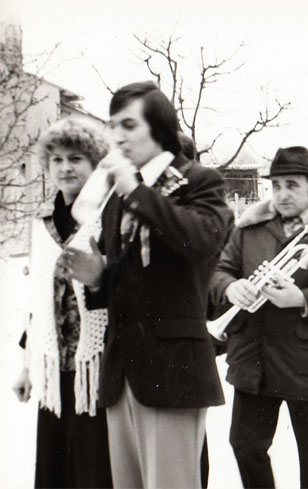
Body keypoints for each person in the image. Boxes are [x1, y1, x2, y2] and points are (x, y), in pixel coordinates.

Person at [64, 81, 233, 489]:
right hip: (121, 372)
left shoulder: (199, 181)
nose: (117, 136)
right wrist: (97, 275)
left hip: (172, 373)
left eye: (128, 125)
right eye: (112, 126)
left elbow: (202, 241)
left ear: (159, 128)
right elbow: (129, 280)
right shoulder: (118, 196)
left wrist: (137, 191)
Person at [209, 146, 308, 489]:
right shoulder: (249, 226)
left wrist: (302, 298)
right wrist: (231, 286)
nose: (282, 194)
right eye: (276, 185)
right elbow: (219, 271)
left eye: (292, 185)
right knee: (245, 445)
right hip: (254, 358)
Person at [11, 117, 112, 488]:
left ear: (95, 163)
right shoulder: (42, 224)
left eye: (76, 159)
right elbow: (37, 302)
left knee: (94, 472)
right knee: (55, 473)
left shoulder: (108, 219)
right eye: (57, 160)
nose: (65, 167)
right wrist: (27, 367)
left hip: (99, 371)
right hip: (54, 371)